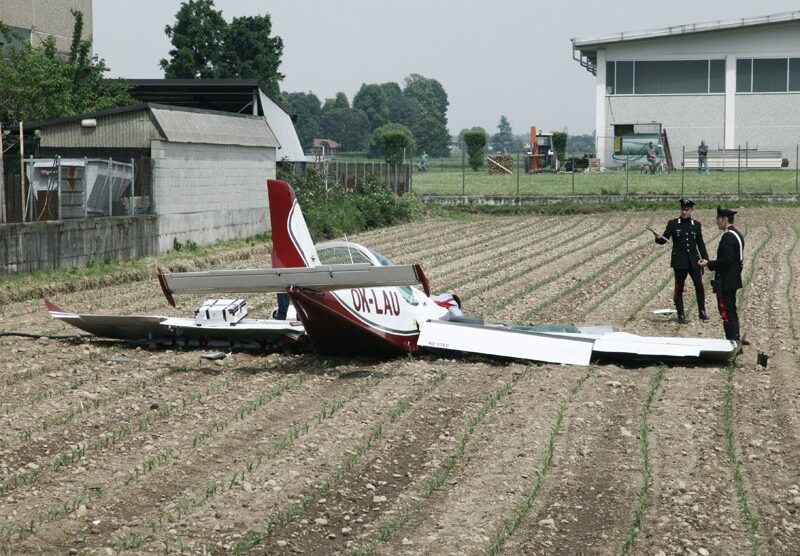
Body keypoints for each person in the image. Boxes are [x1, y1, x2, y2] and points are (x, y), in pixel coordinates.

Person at [652, 198, 710, 324]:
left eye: (687, 210)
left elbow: (700, 243)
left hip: (694, 261)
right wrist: (658, 238)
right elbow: (664, 239)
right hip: (680, 262)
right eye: (682, 209)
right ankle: (681, 314)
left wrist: (705, 259)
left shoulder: (696, 225)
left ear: (691, 210)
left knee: (699, 286)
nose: (684, 212)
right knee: (679, 288)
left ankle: (702, 311)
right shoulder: (673, 224)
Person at [699, 207, 744, 344]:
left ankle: (732, 342)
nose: (716, 222)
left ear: (724, 219)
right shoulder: (737, 234)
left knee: (726, 312)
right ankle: (735, 340)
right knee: (731, 311)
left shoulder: (728, 237)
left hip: (726, 281)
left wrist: (708, 264)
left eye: (718, 219)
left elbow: (727, 260)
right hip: (733, 279)